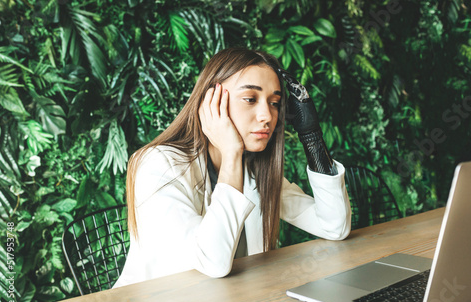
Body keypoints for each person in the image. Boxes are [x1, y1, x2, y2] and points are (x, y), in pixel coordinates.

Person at [113, 47, 351, 288]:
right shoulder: (158, 165)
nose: (267, 116)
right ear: (211, 102)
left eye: (275, 102)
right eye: (250, 99)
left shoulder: (254, 171)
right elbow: (212, 262)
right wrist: (231, 152)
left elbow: (334, 226)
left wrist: (311, 135)